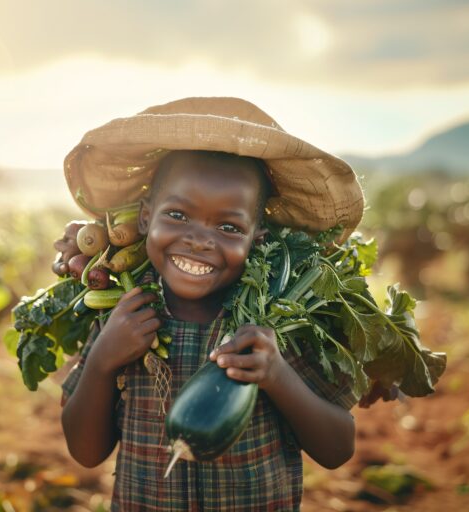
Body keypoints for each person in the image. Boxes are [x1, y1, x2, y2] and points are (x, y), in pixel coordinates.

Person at [59, 97, 366, 510]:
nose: (200, 240)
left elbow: (337, 448)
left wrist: (276, 375)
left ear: (256, 239)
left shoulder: (277, 323)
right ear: (146, 217)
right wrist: (101, 360)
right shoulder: (124, 313)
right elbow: (85, 452)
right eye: (178, 216)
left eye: (228, 226)